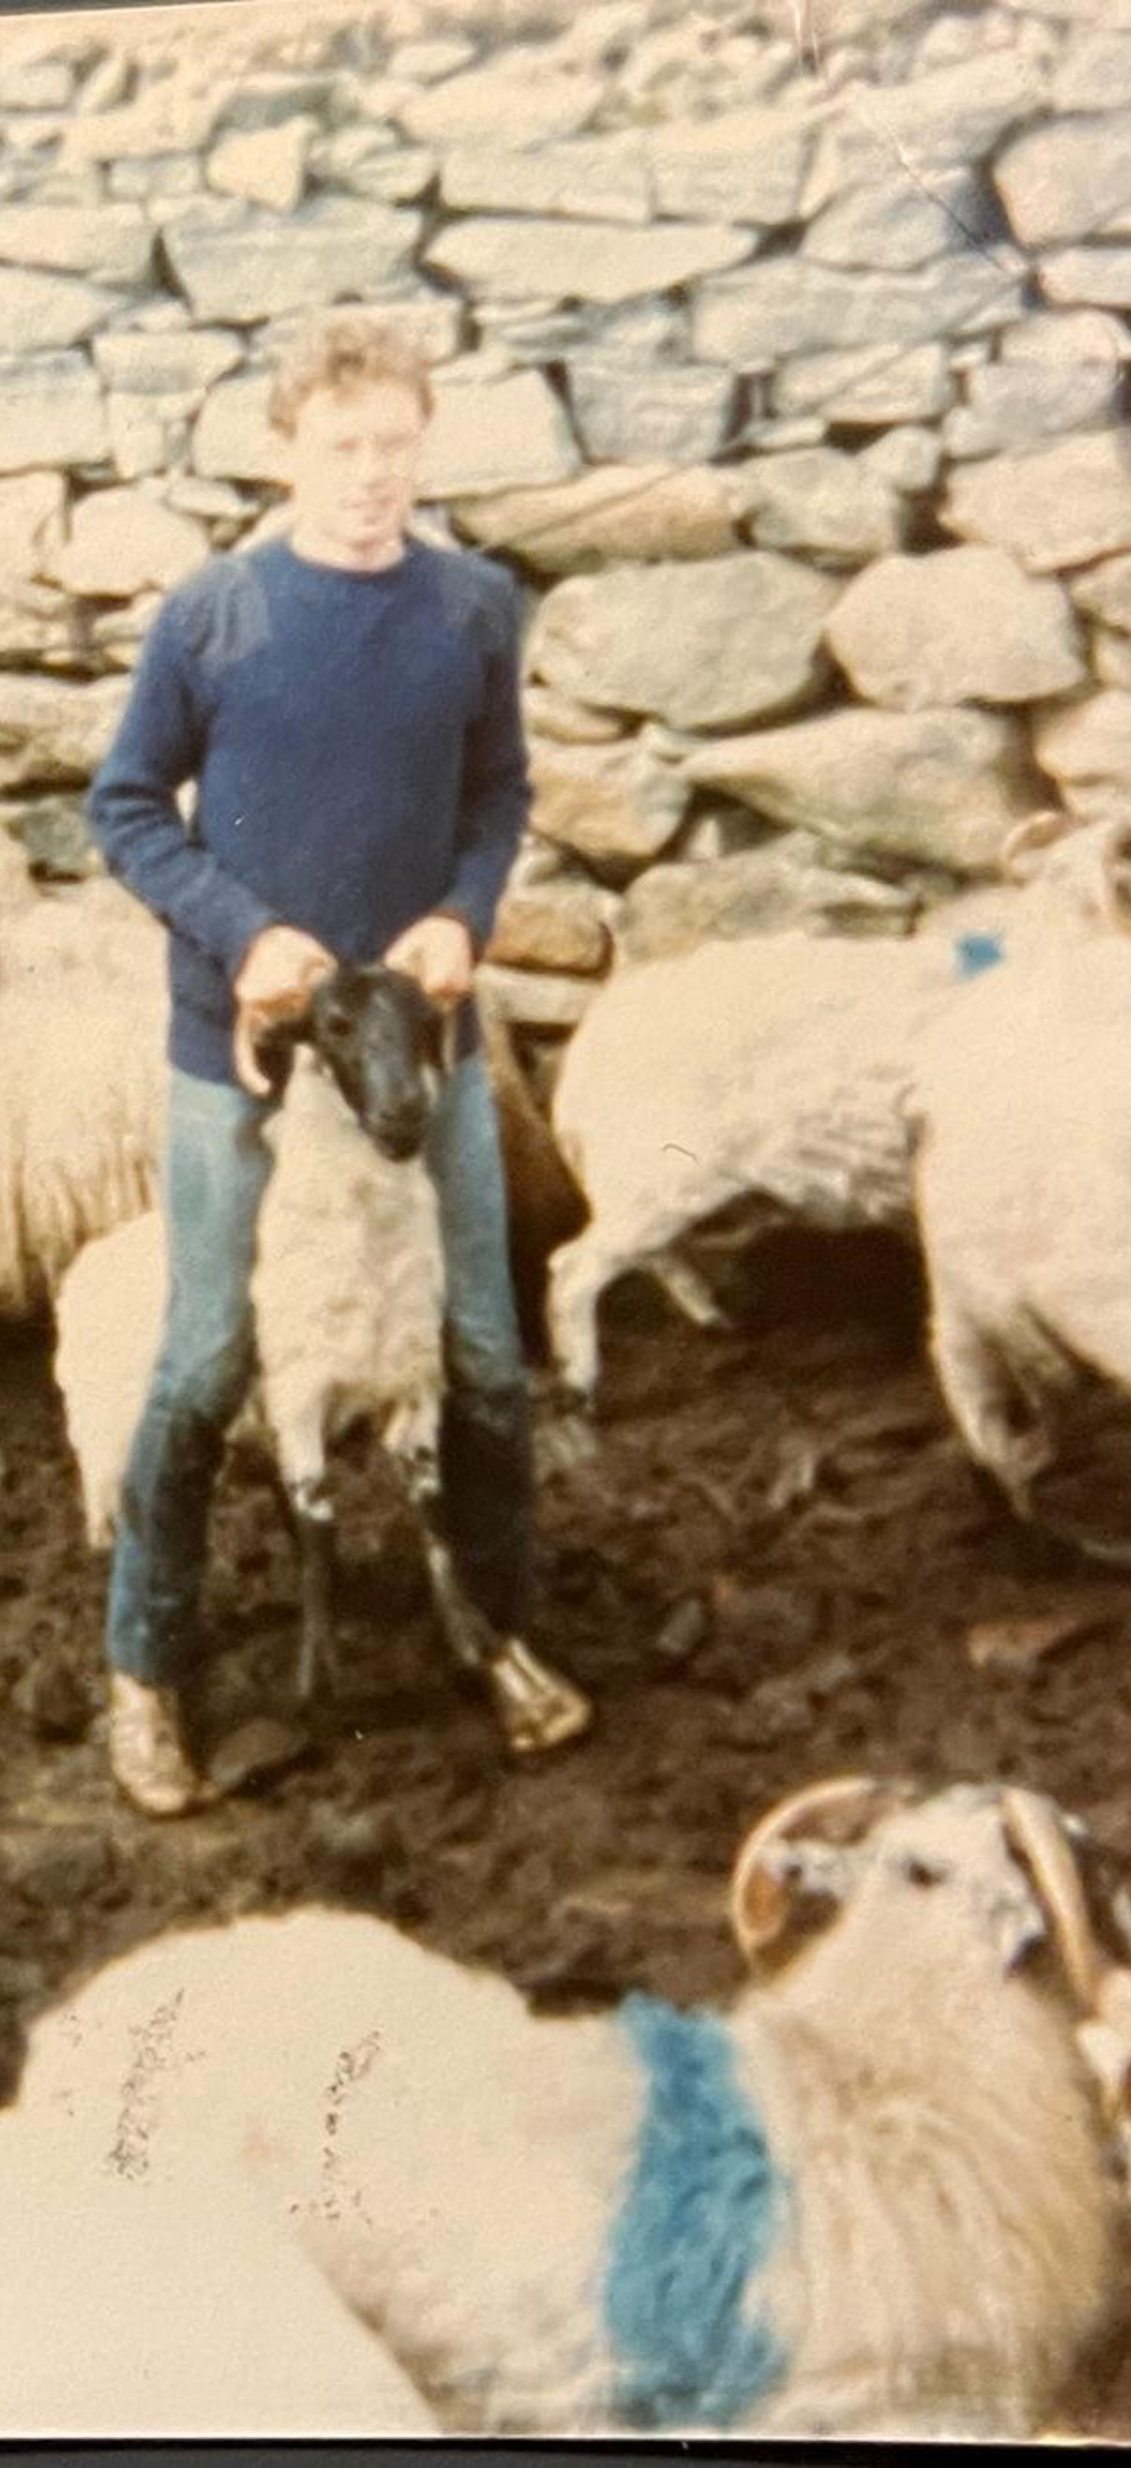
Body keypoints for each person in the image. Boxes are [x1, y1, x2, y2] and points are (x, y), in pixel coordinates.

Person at [87, 311, 593, 1817]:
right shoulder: (215, 618)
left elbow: (499, 794)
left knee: (490, 1358)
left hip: (415, 1052)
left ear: (426, 446)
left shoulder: (471, 608)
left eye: (395, 446)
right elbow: (125, 808)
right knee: (205, 1361)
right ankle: (149, 1672)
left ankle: (494, 1632)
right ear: (284, 448)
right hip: (240, 1049)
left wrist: (461, 917)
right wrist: (245, 936)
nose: (371, 476)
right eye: (340, 446)